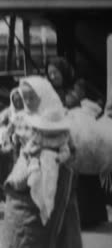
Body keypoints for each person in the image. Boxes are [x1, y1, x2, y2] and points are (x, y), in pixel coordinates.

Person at [1, 76, 82, 248]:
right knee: (25, 233)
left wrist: (56, 157)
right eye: (25, 97)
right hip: (25, 186)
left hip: (55, 183)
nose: (27, 102)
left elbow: (71, 151)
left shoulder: (57, 119)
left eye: (32, 97)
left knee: (55, 234)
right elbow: (14, 142)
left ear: (44, 97)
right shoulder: (23, 118)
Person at [46, 57, 108, 228]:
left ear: (64, 71)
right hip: (65, 138)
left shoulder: (79, 85)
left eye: (55, 72)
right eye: (49, 73)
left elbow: (100, 100)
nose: (52, 76)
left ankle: (91, 216)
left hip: (83, 137)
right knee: (69, 176)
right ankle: (73, 218)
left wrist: (86, 112)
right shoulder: (51, 91)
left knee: (86, 176)